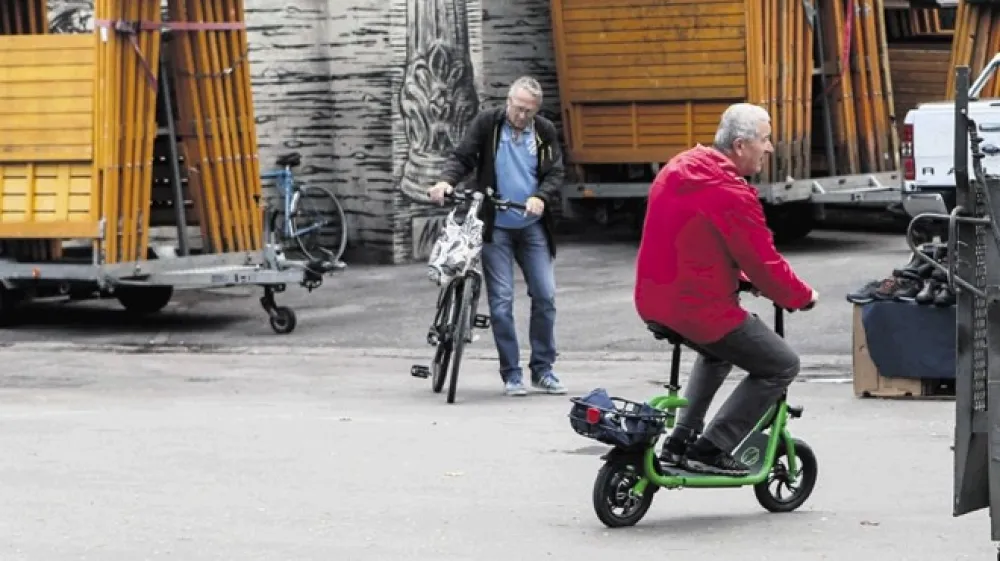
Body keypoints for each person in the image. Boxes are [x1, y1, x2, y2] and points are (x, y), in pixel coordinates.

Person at [633, 103, 819, 476]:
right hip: (697, 308)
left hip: (654, 300)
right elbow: (764, 262)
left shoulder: (679, 167)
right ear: (739, 145)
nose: (769, 148)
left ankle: (681, 439)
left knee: (717, 354)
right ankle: (713, 447)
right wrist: (801, 297)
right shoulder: (731, 192)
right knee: (782, 364)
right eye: (765, 140)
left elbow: (697, 241)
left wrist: (744, 281)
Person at [427, 76, 567, 397]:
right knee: (502, 302)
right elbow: (462, 157)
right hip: (495, 226)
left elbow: (555, 171)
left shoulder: (543, 131)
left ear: (536, 111)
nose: (522, 116)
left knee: (545, 296)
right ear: (508, 102)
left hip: (531, 225)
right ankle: (512, 374)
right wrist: (446, 182)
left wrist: (541, 197)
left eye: (528, 111)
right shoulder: (488, 124)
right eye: (518, 108)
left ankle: (543, 369)